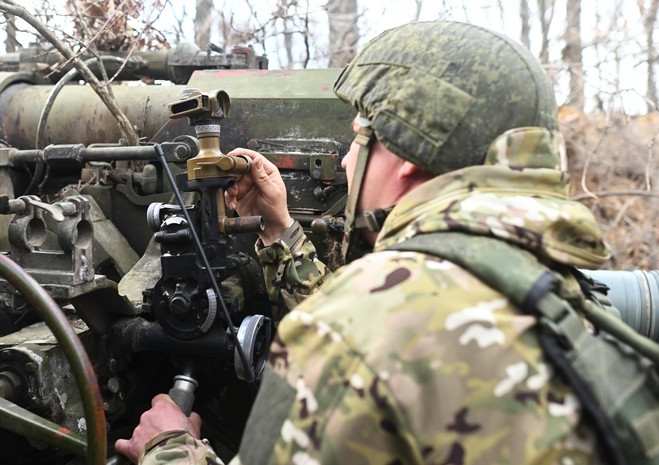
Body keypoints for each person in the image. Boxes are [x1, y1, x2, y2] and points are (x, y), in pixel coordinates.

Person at [116, 21, 614, 464]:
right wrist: (278, 230)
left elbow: (366, 333)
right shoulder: (558, 293)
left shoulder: (358, 330)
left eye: (358, 138)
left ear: (405, 156)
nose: (349, 163)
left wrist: (170, 448)